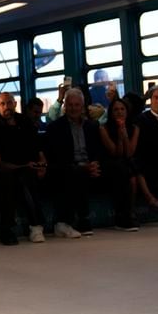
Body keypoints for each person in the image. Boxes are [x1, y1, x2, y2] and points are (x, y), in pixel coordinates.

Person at [44, 88, 103, 237]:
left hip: (89, 165)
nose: (73, 108)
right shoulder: (55, 127)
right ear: (65, 106)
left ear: (82, 107)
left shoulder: (92, 126)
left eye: (77, 105)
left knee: (120, 169)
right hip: (67, 167)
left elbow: (97, 149)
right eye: (70, 105)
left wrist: (95, 163)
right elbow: (57, 157)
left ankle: (124, 215)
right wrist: (83, 167)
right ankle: (80, 219)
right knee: (76, 173)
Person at [0, 92, 48, 244]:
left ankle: (37, 227)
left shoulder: (25, 122)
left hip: (28, 166)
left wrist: (43, 164)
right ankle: (7, 229)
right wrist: (23, 166)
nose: (6, 107)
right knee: (14, 177)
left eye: (9, 103)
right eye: (2, 104)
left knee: (28, 175)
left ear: (15, 104)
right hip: (6, 169)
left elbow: (38, 148)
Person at [99, 98, 140, 231]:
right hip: (109, 162)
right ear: (111, 112)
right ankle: (123, 215)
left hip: (127, 161)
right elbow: (116, 153)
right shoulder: (103, 128)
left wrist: (124, 134)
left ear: (127, 112)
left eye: (122, 109)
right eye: (116, 109)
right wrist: (119, 135)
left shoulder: (135, 128)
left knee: (132, 176)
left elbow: (129, 153)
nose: (119, 112)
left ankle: (129, 214)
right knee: (123, 169)